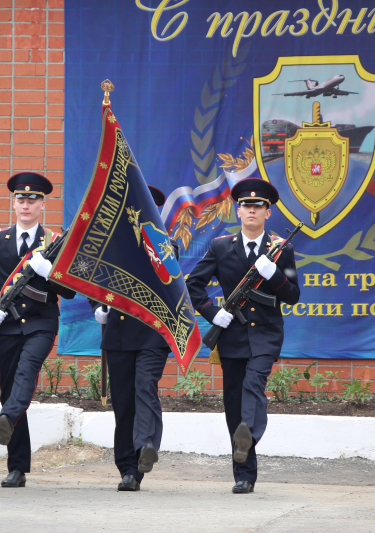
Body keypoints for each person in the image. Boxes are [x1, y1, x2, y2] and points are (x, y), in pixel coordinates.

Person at [186, 178, 300, 494]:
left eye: (258, 206)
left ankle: (249, 433)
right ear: (238, 211)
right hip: (232, 335)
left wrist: (273, 274)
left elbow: (292, 296)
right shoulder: (221, 246)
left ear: (268, 212)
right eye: (246, 206)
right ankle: (244, 474)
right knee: (234, 404)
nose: (251, 210)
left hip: (265, 335)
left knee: (254, 385)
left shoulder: (281, 249)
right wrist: (212, 313)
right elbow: (194, 284)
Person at [0, 172, 75, 488]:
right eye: (20, 199)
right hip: (7, 325)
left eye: (32, 200)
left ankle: (8, 415)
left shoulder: (54, 242)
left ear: (42, 205)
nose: (25, 205)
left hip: (42, 323)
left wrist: (51, 272)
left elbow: (70, 291)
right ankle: (17, 467)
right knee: (10, 388)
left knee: (26, 373)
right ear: (13, 203)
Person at [91, 186, 174, 492]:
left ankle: (146, 448)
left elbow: (166, 281)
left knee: (145, 388)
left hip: (152, 334)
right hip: (119, 335)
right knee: (124, 403)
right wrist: (97, 306)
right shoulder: (110, 247)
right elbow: (95, 282)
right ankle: (127, 467)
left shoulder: (166, 246)